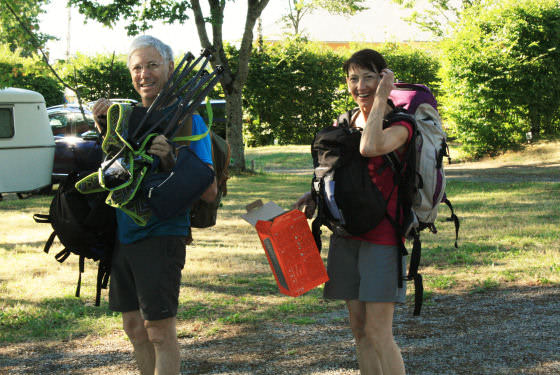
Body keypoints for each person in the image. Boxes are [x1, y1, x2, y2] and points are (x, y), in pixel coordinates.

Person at [92, 35, 217, 375]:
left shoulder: (189, 119)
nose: (143, 74)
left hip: (162, 234)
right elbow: (114, 175)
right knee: (134, 327)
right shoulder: (125, 120)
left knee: (160, 333)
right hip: (125, 234)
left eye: (152, 65)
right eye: (137, 68)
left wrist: (173, 160)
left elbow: (209, 189)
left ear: (170, 68)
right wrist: (103, 129)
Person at [295, 49, 413, 375]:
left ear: (384, 78)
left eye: (369, 77)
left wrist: (382, 99)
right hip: (346, 234)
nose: (360, 85)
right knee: (359, 329)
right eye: (353, 78)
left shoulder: (402, 125)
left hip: (382, 237)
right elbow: (339, 173)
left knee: (379, 332)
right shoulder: (346, 122)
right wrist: (314, 195)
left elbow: (370, 147)